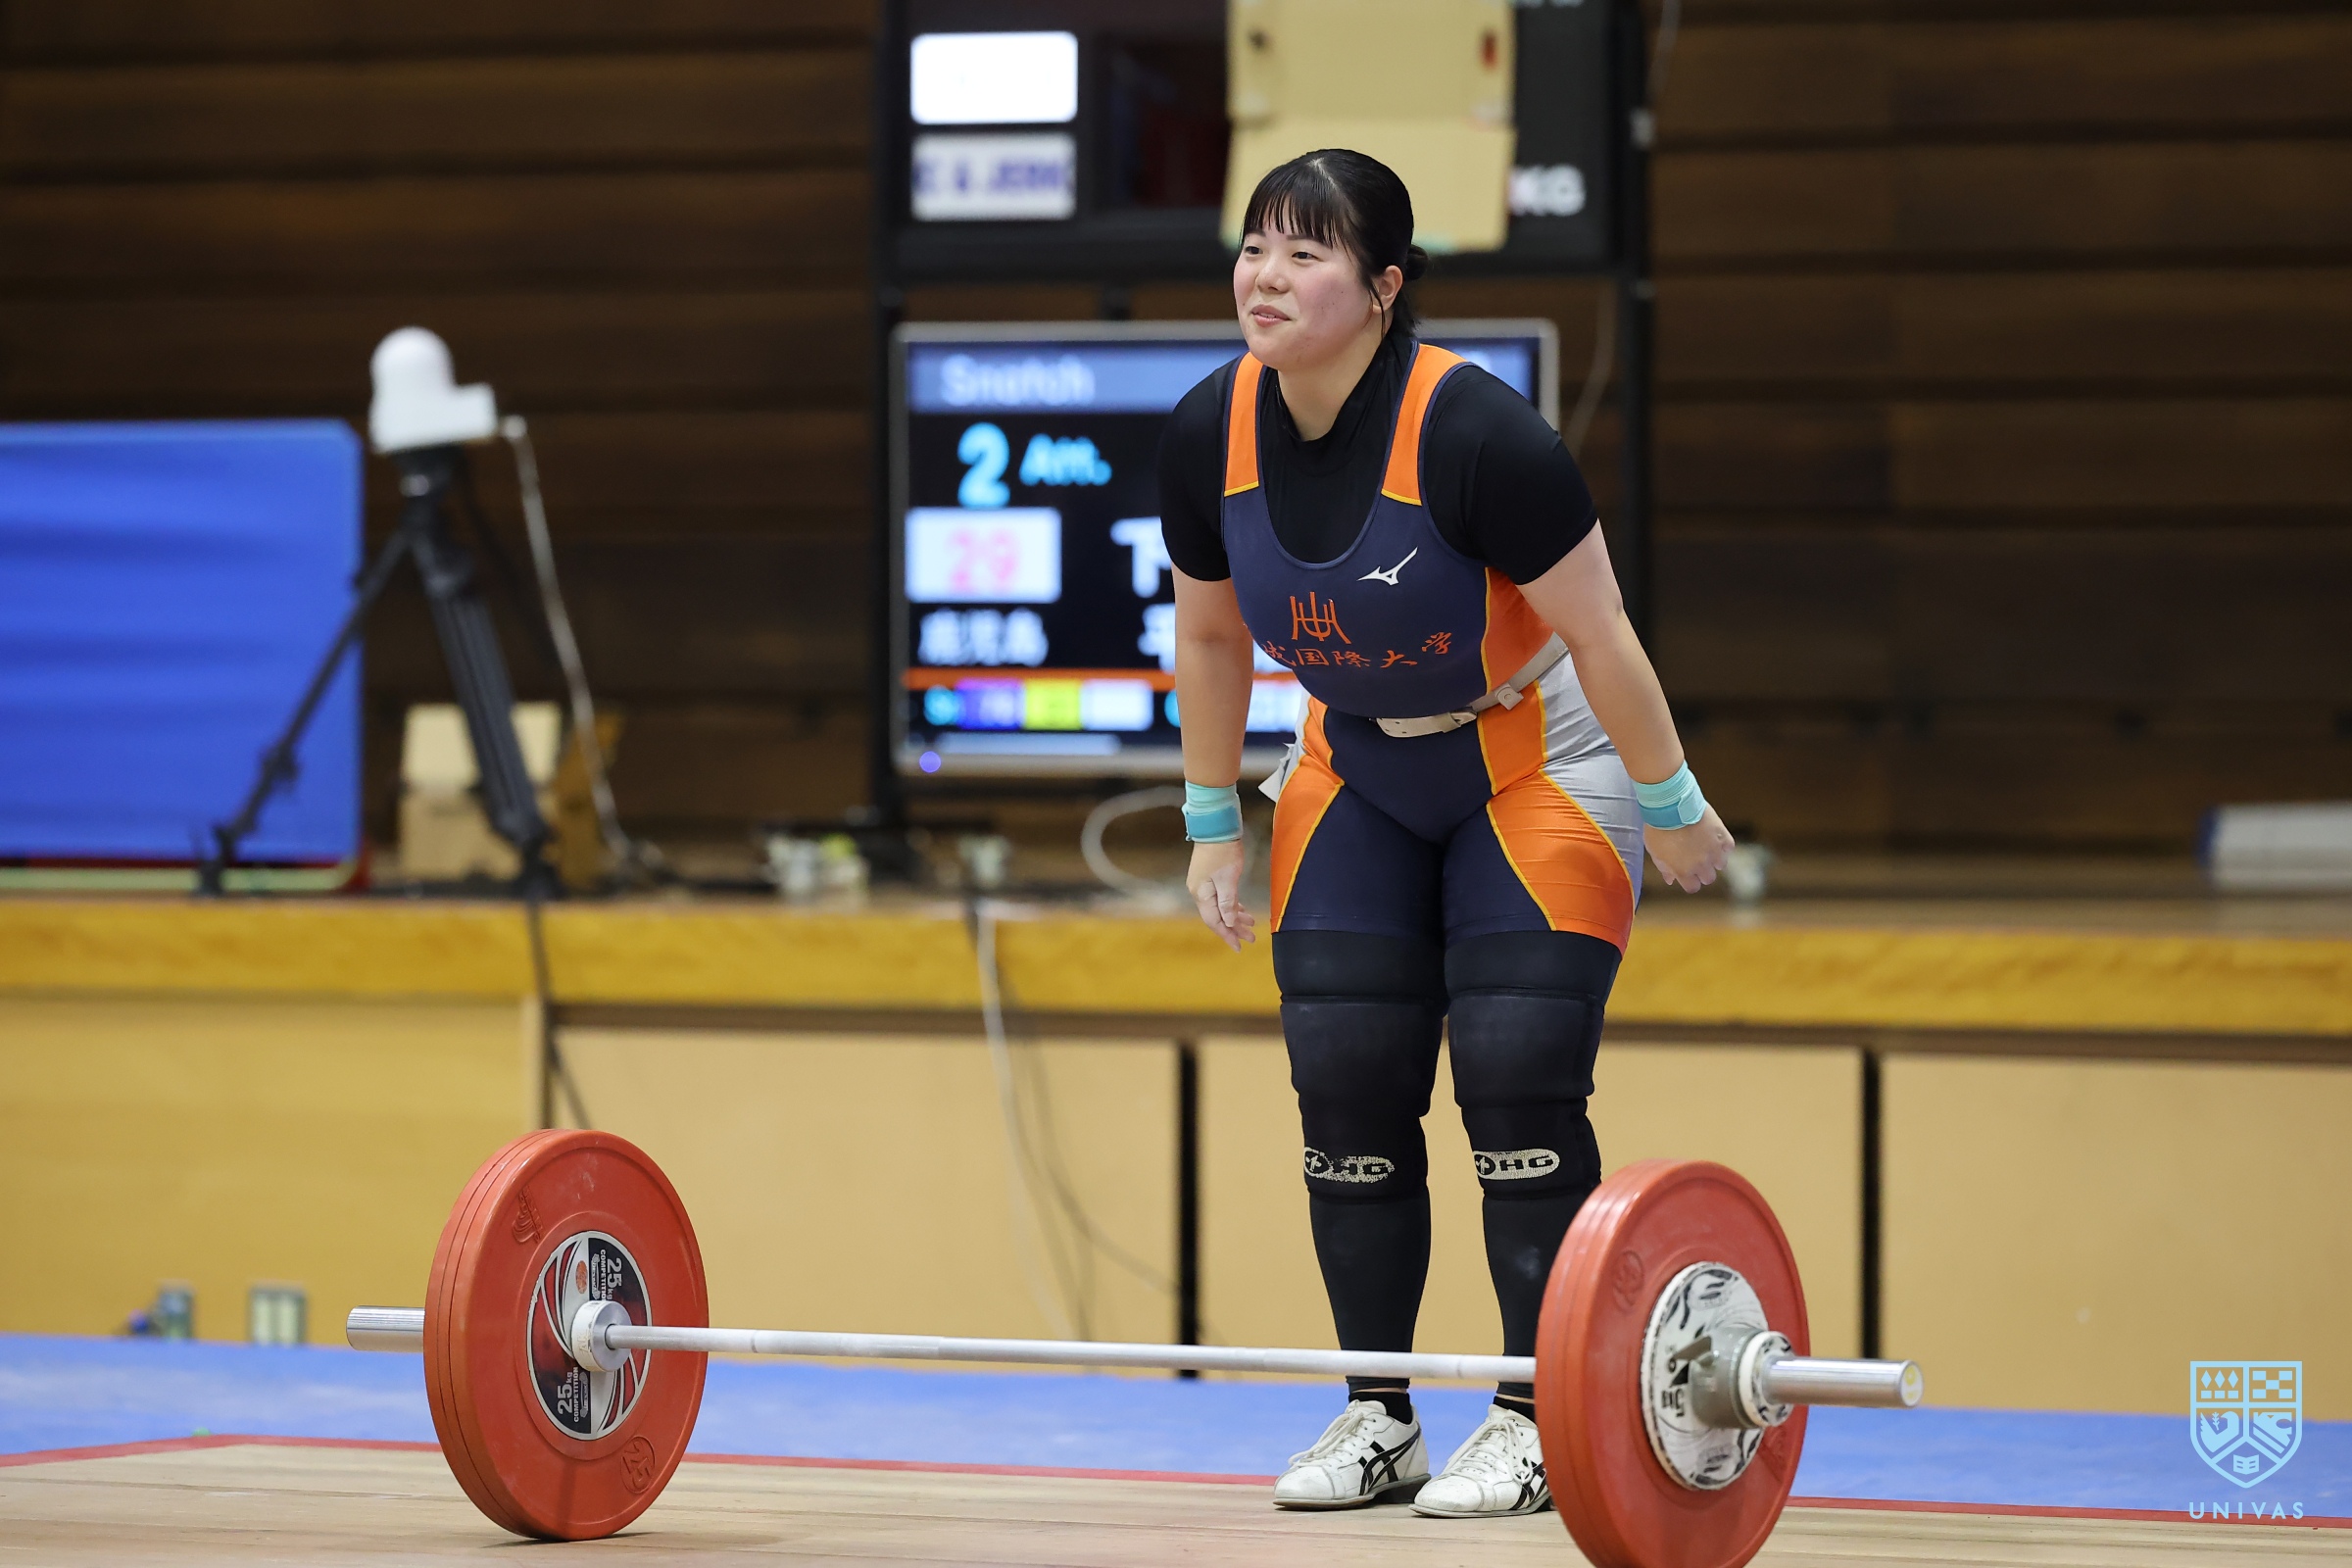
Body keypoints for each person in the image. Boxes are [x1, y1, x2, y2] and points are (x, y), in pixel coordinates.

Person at [1157, 149, 1734, 1518]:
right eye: (1254, 247)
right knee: (1346, 1080)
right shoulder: (1205, 430)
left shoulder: (1480, 434)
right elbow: (1212, 635)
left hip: (1538, 755)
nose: (1265, 277)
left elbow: (1602, 631)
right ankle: (1379, 1416)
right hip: (1353, 761)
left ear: (1383, 286)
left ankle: (1537, 1420)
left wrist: (1670, 803)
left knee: (1517, 1076)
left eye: (1306, 253)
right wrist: (1210, 822)